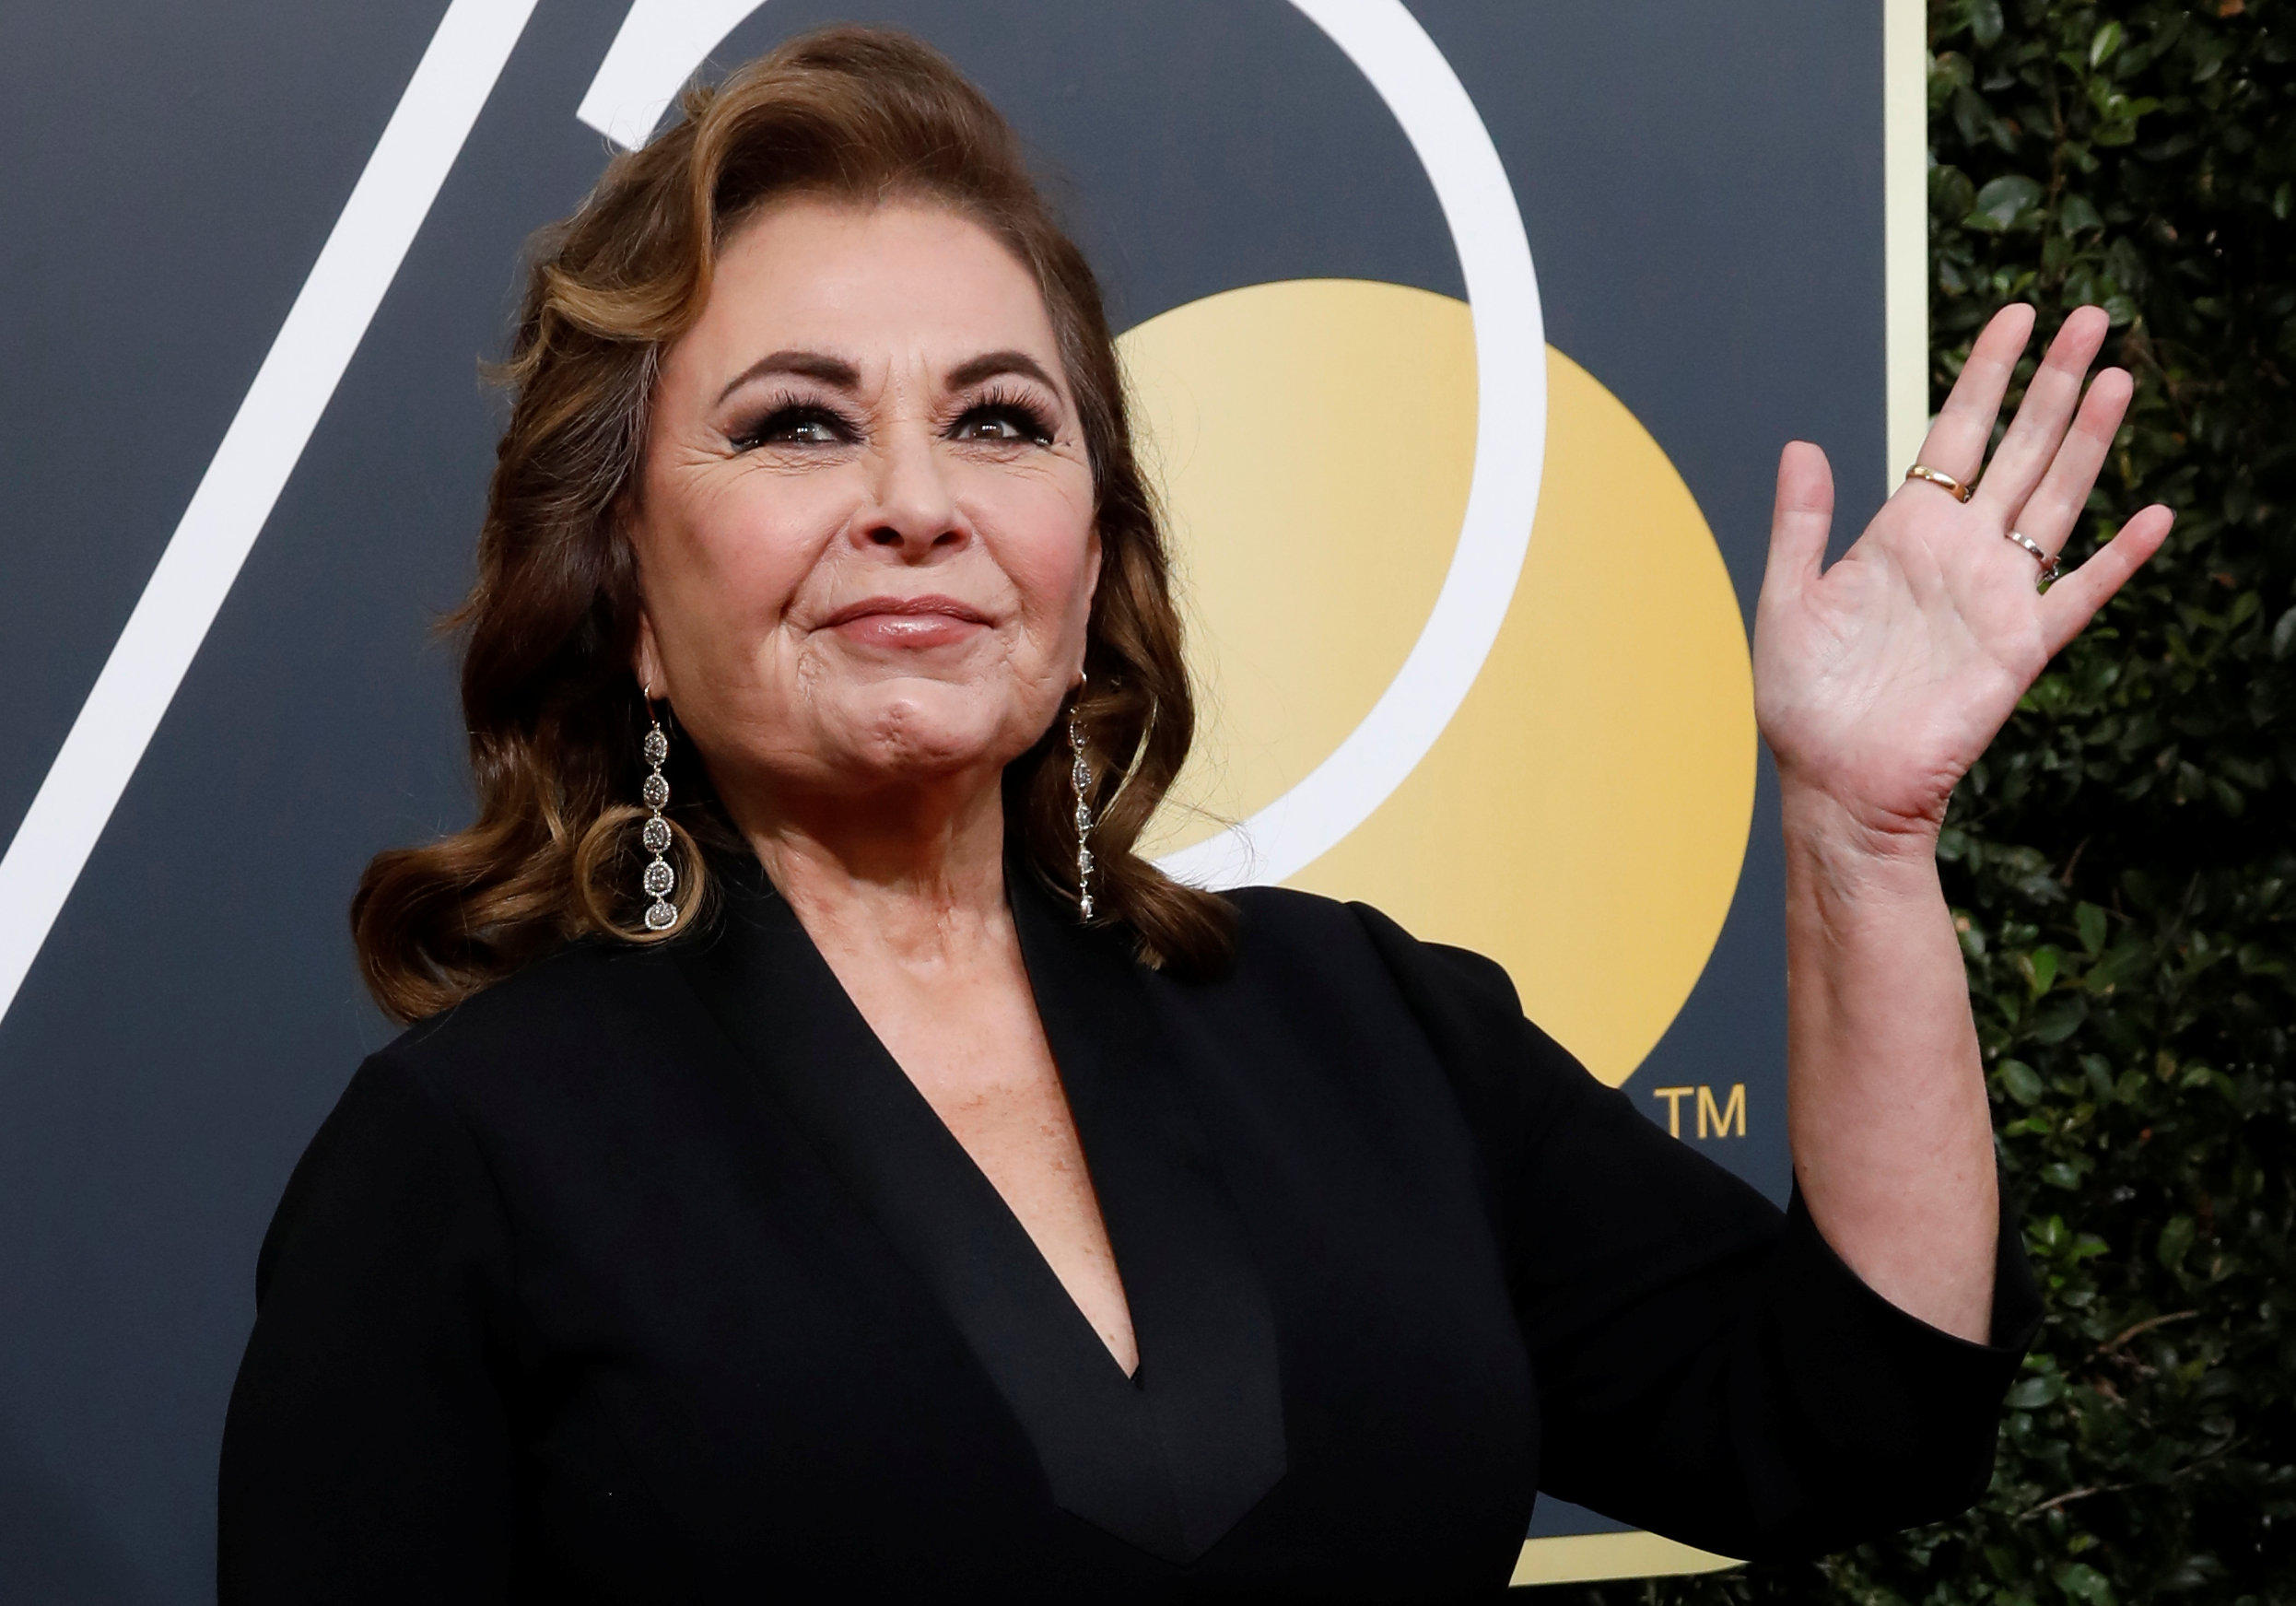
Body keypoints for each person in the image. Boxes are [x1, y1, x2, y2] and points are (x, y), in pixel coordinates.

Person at [216, 25, 2171, 1604]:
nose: (919, 498)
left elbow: (1855, 1409)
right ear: (630, 590)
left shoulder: (1366, 1029)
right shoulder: (466, 1160)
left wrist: (1855, 834)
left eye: (999, 419)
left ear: (1086, 562)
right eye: (797, 421)